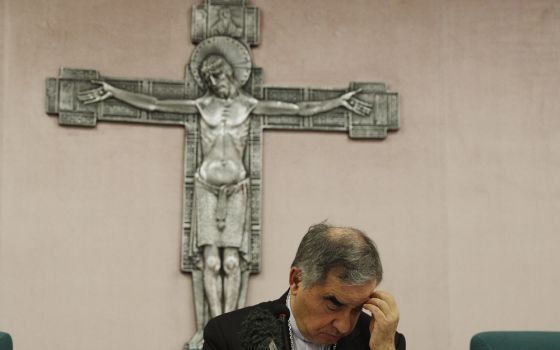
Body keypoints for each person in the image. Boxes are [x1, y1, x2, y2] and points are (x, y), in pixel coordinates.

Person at [78, 56, 368, 343]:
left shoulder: (248, 105)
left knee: (231, 263)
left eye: (219, 76)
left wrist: (339, 101)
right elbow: (155, 103)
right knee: (211, 264)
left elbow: (298, 109)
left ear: (230, 74)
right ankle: (212, 325)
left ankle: (234, 326)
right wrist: (113, 92)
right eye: (210, 79)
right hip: (206, 186)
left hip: (236, 188)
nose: (216, 83)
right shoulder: (203, 105)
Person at [203, 222, 406, 350]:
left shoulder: (382, 342)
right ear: (296, 280)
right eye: (334, 304)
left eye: (357, 309)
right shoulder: (229, 335)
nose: (344, 326)